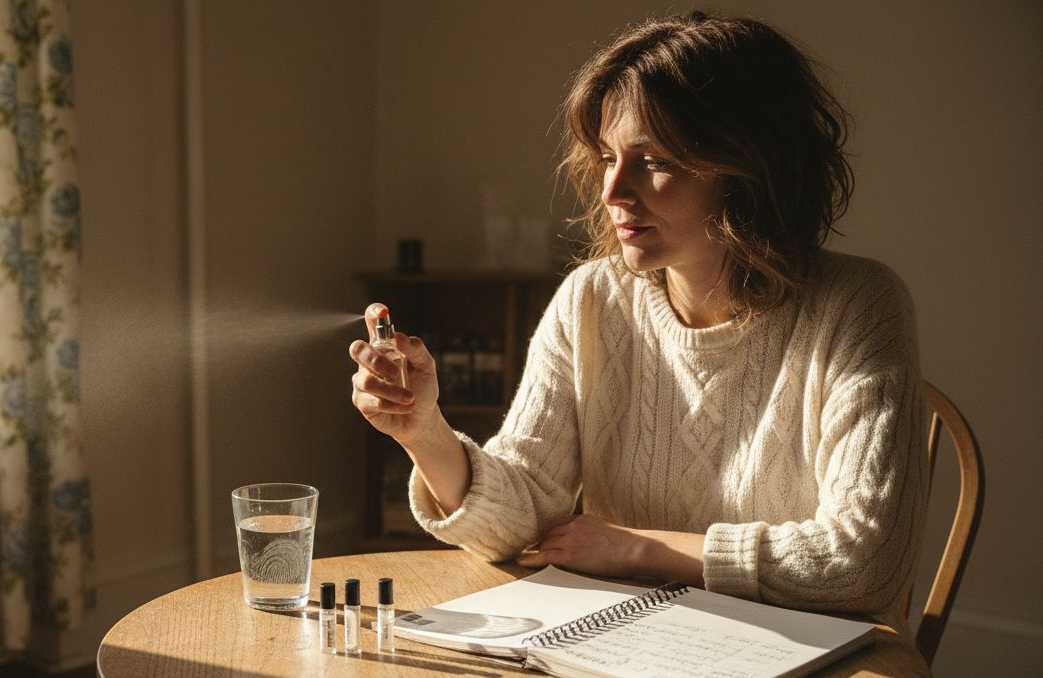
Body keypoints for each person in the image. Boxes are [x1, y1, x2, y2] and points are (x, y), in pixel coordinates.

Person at [348, 11, 926, 626]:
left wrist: (637, 548)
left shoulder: (859, 304)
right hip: (627, 640)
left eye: (654, 161)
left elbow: (865, 564)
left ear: (751, 169)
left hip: (801, 660)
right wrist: (423, 431)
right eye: (605, 157)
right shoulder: (591, 300)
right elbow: (523, 518)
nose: (612, 191)